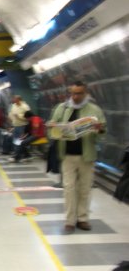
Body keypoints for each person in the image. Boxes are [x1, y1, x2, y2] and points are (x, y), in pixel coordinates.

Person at [49, 81, 106, 233]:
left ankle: (82, 219)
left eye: (79, 93)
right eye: (73, 93)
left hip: (86, 156)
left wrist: (99, 129)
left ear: (85, 93)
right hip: (67, 155)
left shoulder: (94, 110)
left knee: (84, 189)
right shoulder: (62, 109)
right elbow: (52, 130)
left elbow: (102, 134)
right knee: (69, 188)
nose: (75, 96)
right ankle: (69, 221)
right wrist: (53, 127)